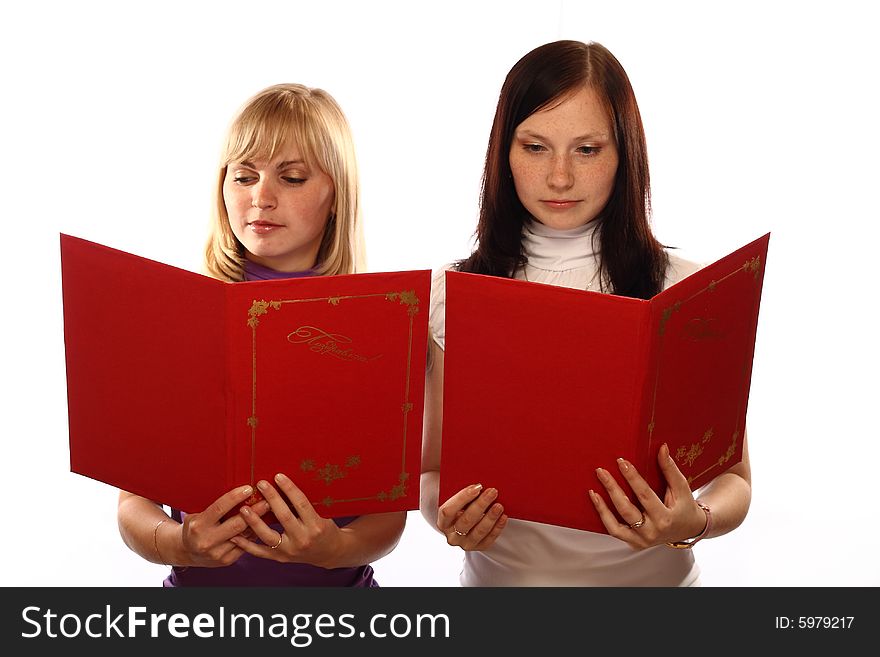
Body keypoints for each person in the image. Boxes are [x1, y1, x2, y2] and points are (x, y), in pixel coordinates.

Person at [420, 40, 752, 586]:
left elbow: (735, 478)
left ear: (626, 154)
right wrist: (448, 519)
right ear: (503, 152)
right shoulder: (449, 293)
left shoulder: (687, 290)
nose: (559, 178)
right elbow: (432, 471)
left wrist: (696, 520)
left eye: (588, 149)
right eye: (534, 147)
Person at [117, 83, 404, 586]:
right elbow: (131, 505)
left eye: (292, 178)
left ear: (338, 193)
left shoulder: (378, 323)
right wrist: (180, 543)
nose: (261, 198)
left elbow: (387, 520)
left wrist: (336, 548)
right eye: (244, 176)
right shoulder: (179, 315)